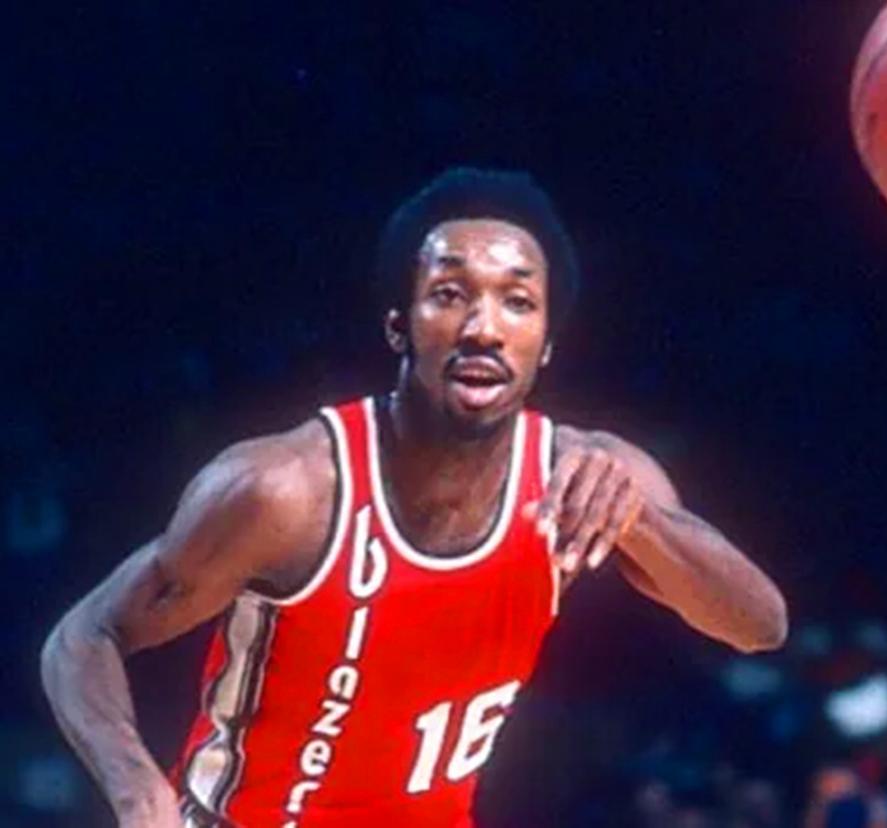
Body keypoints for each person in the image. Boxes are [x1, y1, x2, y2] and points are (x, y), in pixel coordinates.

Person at [40, 168, 788, 827]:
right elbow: (83, 637)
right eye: (449, 295)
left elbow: (760, 626)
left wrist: (640, 518)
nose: (484, 328)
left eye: (518, 302)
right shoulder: (283, 492)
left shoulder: (588, 480)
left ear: (547, 344)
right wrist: (139, 793)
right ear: (399, 327)